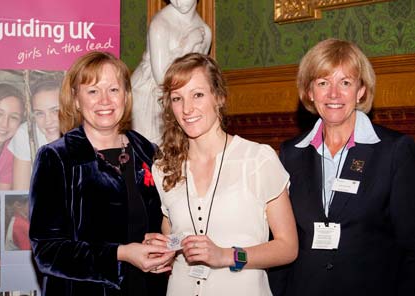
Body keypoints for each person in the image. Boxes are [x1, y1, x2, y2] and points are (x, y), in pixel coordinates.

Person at [268, 38, 415, 296]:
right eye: (323, 83)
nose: (333, 94)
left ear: (361, 91)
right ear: (310, 92)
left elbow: (411, 247)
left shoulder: (394, 151)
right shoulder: (291, 154)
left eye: (345, 82)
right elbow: (280, 241)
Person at [146, 53, 298, 296]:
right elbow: (175, 239)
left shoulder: (257, 159)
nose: (187, 108)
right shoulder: (164, 167)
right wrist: (162, 251)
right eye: (177, 98)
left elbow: (288, 247)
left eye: (197, 94)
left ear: (218, 97)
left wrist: (226, 256)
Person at [29, 51, 175, 296]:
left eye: (114, 90)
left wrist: (166, 248)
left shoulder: (147, 152)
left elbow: (164, 221)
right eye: (93, 91)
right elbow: (47, 251)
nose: (105, 100)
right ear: (76, 99)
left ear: (126, 96)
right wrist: (121, 254)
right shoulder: (57, 158)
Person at [131, 0, 211, 144]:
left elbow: (200, 76)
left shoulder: (205, 31)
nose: (178, 1)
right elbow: (162, 80)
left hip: (182, 100)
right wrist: (188, 44)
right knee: (150, 156)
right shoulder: (160, 25)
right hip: (150, 98)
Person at [8, 78, 62, 190]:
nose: (48, 121)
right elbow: (21, 190)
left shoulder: (86, 133)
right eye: (39, 113)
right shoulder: (26, 134)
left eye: (55, 111)